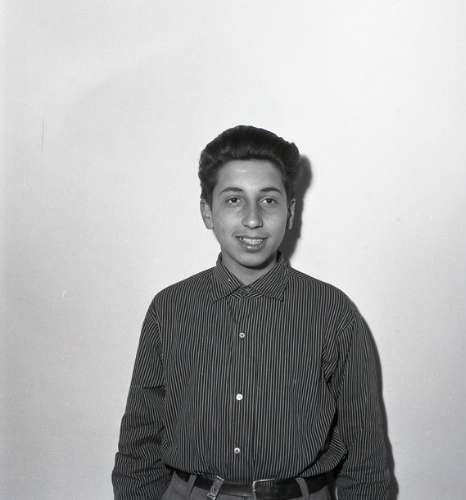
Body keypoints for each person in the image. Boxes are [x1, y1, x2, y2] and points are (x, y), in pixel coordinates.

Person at [112, 125, 392, 500]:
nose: (253, 219)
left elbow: (365, 453)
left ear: (290, 212)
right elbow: (140, 438)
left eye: (268, 200)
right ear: (207, 211)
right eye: (233, 200)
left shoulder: (332, 311)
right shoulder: (170, 308)